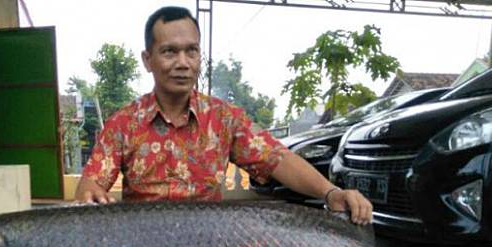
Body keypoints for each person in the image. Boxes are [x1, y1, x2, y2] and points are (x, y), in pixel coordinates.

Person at [75, 6, 373, 225]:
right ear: (147, 60)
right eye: (169, 52)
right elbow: (91, 185)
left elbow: (277, 159)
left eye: (191, 51)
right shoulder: (124, 123)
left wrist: (331, 192)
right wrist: (89, 195)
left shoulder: (223, 118)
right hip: (142, 244)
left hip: (213, 244)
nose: (183, 62)